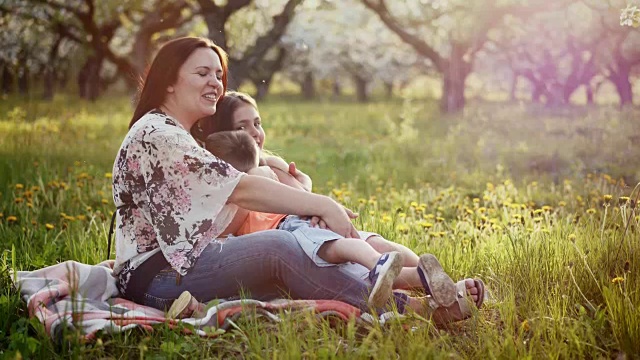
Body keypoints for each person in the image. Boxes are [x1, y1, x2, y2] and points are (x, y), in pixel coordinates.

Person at [112, 36, 484, 325]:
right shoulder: (158, 135)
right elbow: (242, 188)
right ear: (169, 83)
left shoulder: (176, 134)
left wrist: (305, 206)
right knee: (281, 248)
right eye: (202, 73)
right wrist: (322, 204)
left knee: (299, 252)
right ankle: (415, 309)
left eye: (219, 74)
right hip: (158, 277)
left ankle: (414, 296)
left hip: (181, 265)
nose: (215, 83)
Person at [193, 91, 461, 299]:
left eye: (257, 123)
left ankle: (439, 281)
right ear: (227, 136)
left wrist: (305, 191)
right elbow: (232, 226)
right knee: (353, 256)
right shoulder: (230, 178)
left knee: (378, 244)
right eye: (242, 127)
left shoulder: (270, 163)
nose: (254, 133)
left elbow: (300, 189)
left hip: (308, 225)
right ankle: (416, 278)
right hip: (291, 242)